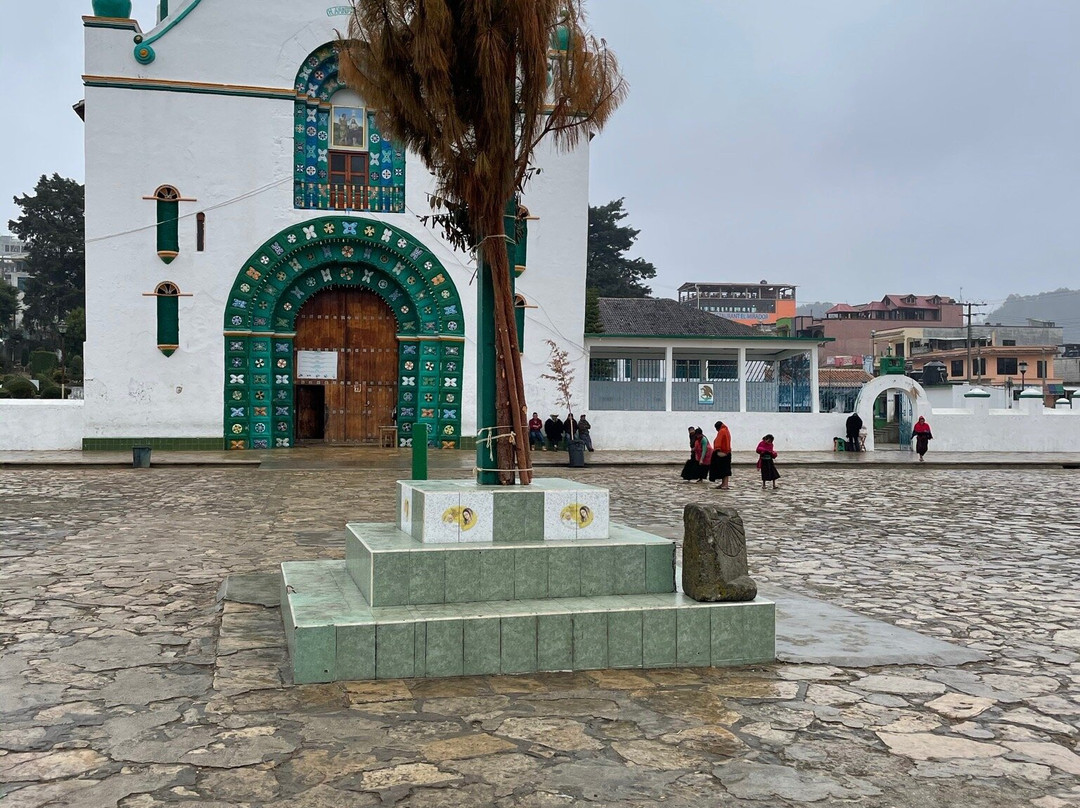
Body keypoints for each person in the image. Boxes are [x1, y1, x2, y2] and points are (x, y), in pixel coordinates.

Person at [710, 420, 732, 489]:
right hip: (727, 452)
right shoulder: (726, 431)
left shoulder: (721, 431)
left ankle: (725, 484)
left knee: (724, 469)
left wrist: (717, 449)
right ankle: (724, 484)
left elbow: (718, 442)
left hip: (722, 453)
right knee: (726, 469)